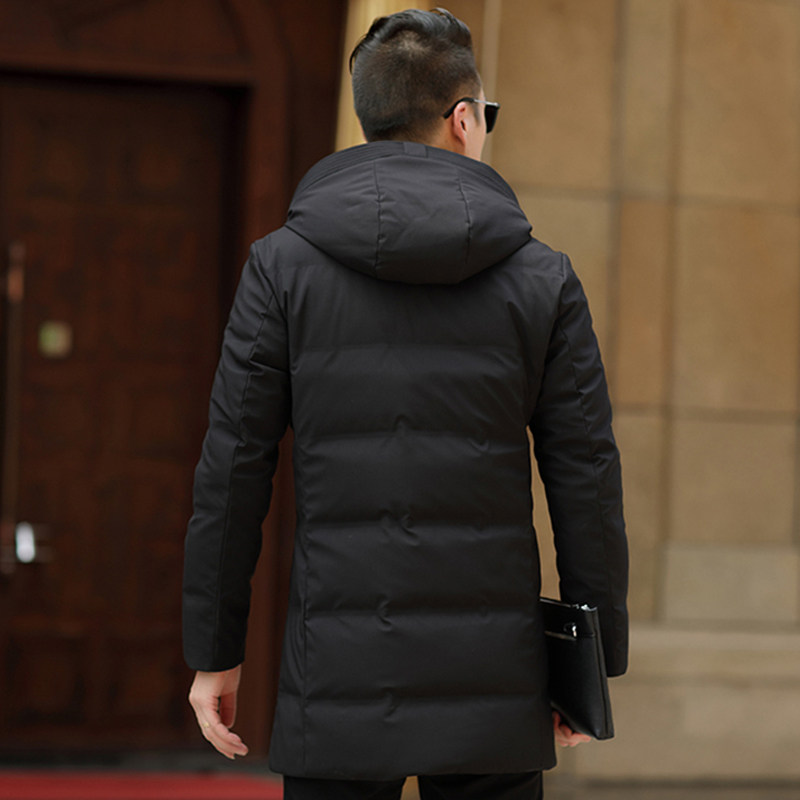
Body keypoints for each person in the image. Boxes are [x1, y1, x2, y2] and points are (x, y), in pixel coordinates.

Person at [182, 7, 628, 799]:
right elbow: (585, 479)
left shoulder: (281, 268)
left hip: (338, 683)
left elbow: (232, 473)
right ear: (463, 119)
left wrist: (213, 651)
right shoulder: (543, 279)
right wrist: (590, 665)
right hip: (494, 683)